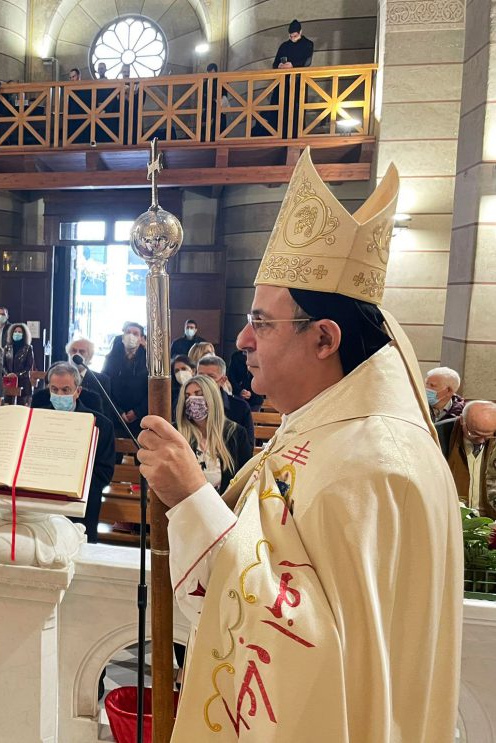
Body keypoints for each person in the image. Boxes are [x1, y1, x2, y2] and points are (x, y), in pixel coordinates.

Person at [136, 149, 460, 740]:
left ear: (324, 339)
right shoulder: (328, 425)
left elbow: (302, 649)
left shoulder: (374, 463)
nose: (241, 339)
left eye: (261, 322)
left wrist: (189, 497)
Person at [31, 362, 114, 543]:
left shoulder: (101, 425)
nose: (60, 395)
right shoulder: (35, 420)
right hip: (42, 497)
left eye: (66, 390)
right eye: (54, 389)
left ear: (78, 391)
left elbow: (105, 472)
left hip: (81, 501)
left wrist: (76, 484)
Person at [175, 374, 253, 494]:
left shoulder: (235, 433)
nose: (192, 400)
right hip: (186, 505)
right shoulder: (176, 432)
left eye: (198, 394)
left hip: (225, 506)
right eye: (187, 396)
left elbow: (246, 477)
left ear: (212, 397)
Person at [437, 400, 496, 519]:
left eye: (488, 435)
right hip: (454, 518)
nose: (481, 441)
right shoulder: (439, 436)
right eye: (475, 434)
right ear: (462, 420)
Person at [102, 322, 148, 441]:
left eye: (135, 334)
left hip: (141, 417)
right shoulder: (111, 358)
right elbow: (105, 387)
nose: (131, 336)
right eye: (128, 333)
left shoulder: (149, 360)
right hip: (115, 415)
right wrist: (118, 411)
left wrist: (137, 412)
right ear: (122, 337)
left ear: (142, 339)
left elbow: (153, 390)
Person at [196, 354, 255, 443]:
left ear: (223, 380)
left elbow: (247, 446)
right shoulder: (187, 404)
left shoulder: (240, 407)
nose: (204, 381)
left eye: (210, 377)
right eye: (200, 376)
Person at [67, 337, 111, 420]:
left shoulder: (101, 380)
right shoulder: (59, 377)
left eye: (82, 351)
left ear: (90, 356)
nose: (76, 354)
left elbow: (105, 412)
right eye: (73, 350)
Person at [3, 323, 35, 404]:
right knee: (7, 404)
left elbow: (28, 366)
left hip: (23, 381)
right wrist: (8, 374)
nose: (17, 333)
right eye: (15, 331)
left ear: (24, 334)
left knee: (21, 405)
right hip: (9, 380)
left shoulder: (28, 348)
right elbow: (3, 364)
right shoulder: (7, 347)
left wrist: (16, 375)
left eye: (20, 332)